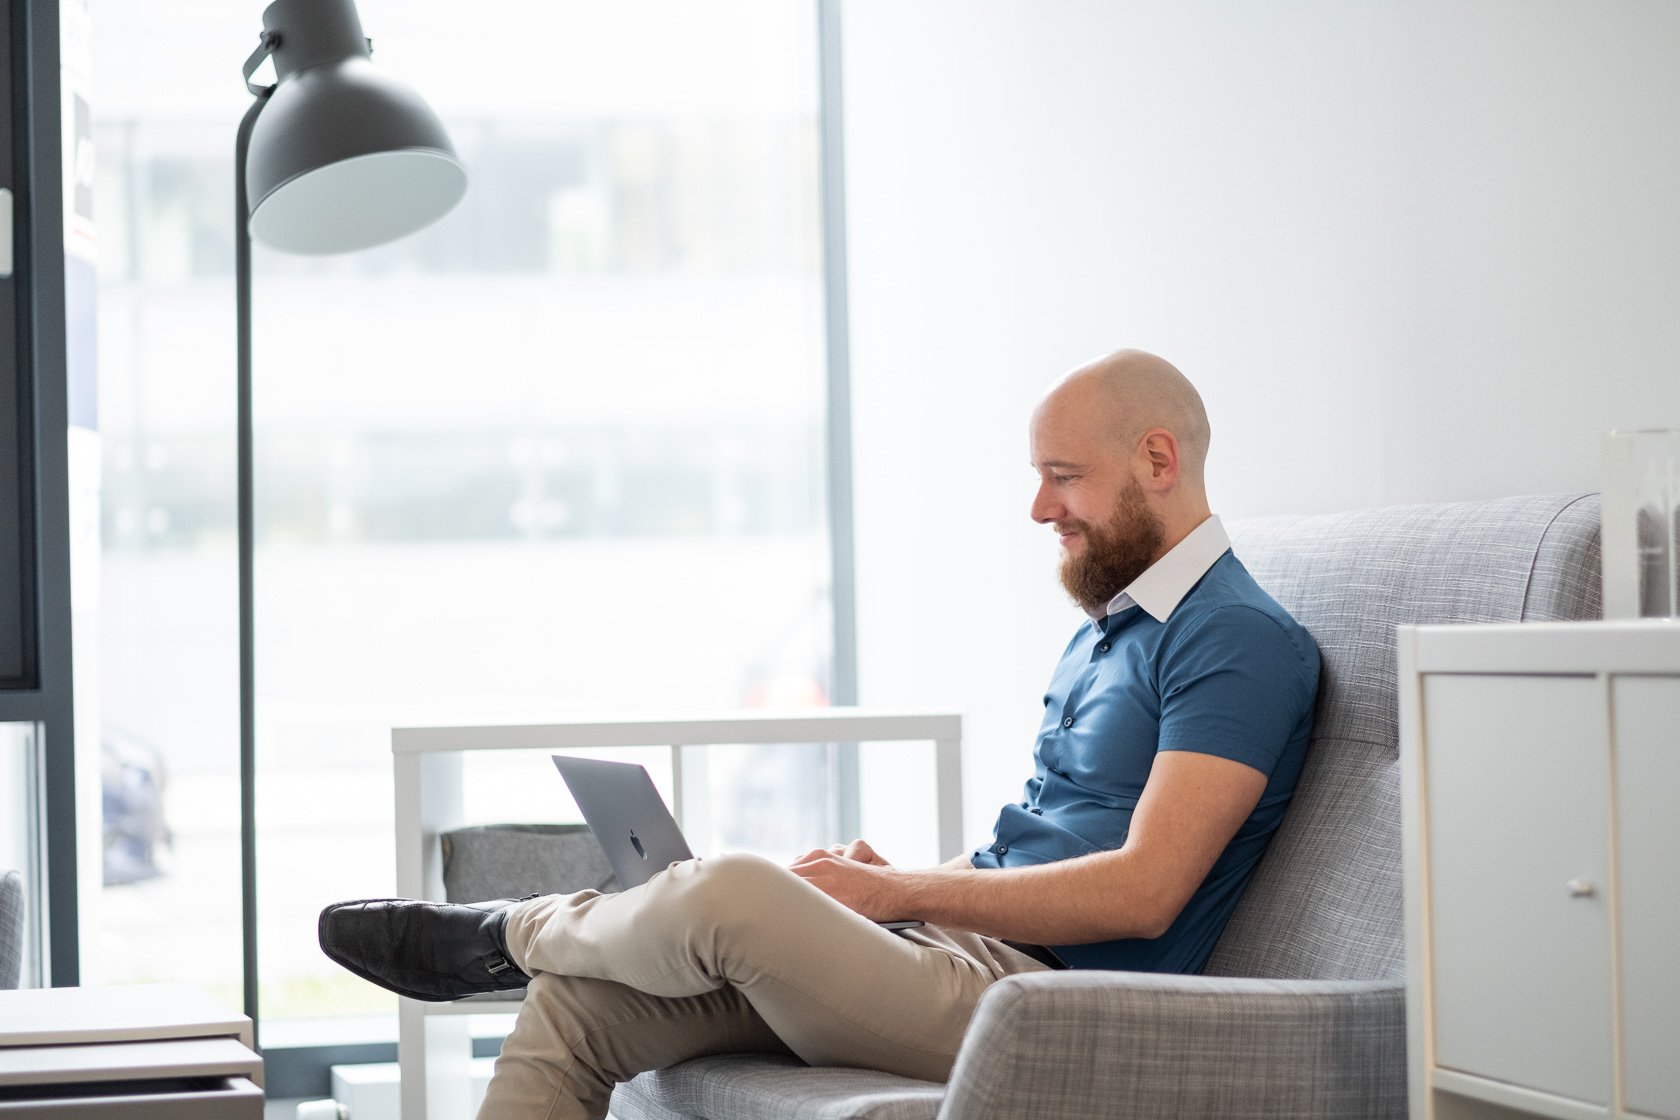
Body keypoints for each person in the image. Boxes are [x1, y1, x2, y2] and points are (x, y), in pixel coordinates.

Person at [319, 348, 1320, 1120]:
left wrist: (901, 891)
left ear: (1158, 459)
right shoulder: (1113, 628)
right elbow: (1052, 847)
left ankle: (505, 934)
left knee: (734, 888)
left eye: (1064, 476)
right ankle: (541, 950)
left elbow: (1145, 890)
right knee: (581, 1003)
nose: (1038, 507)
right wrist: (896, 885)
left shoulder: (1235, 638)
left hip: (1047, 1006)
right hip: (960, 950)